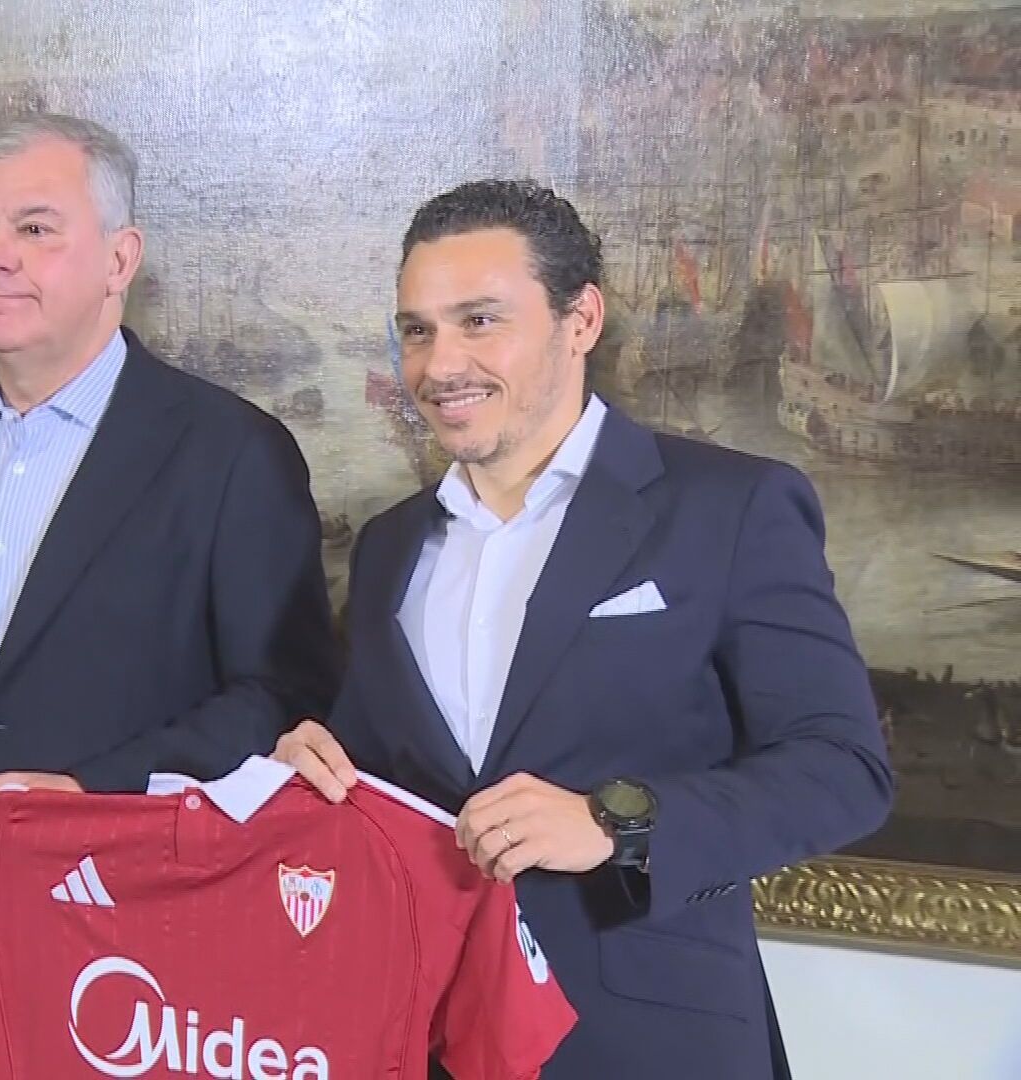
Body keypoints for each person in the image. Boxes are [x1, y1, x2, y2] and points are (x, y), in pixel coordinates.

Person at [274, 179, 892, 1079]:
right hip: (419, 1038)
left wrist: (617, 825)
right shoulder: (386, 550)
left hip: (647, 1045)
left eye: (480, 320)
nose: (440, 364)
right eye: (417, 329)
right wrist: (309, 779)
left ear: (582, 320)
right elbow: (385, 789)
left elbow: (846, 770)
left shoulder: (732, 507)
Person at [0, 114, 339, 1079]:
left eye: (34, 228)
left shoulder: (231, 454)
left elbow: (278, 697)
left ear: (119, 258)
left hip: (137, 978)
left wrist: (89, 798)